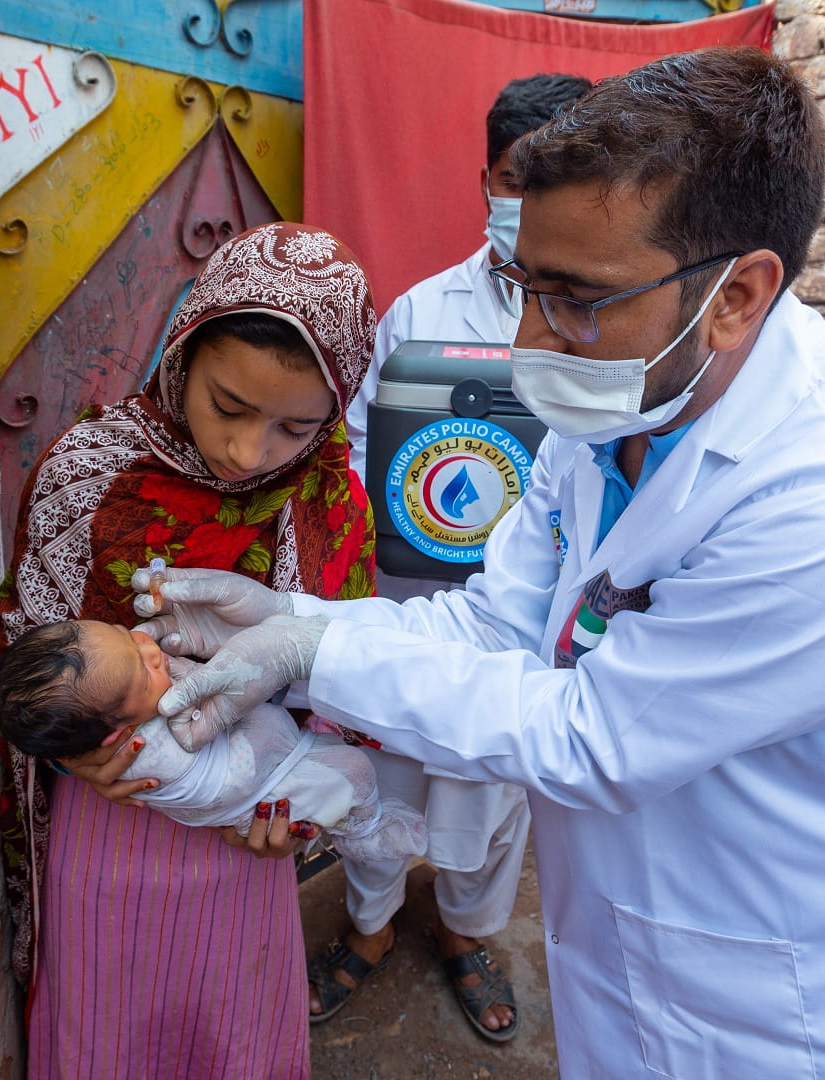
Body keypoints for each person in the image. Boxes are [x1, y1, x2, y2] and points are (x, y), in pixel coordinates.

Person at [133, 48, 825, 1077]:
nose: (529, 337)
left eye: (573, 297)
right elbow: (500, 624)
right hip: (649, 941)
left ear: (737, 294)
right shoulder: (620, 409)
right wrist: (293, 620)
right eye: (522, 285)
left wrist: (311, 658)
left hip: (816, 1009)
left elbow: (592, 737)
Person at [0, 221, 379, 1079]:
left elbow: (355, 685)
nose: (249, 452)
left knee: (230, 1035)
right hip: (111, 815)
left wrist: (302, 819)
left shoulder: (331, 501)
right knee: (109, 1032)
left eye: (294, 426)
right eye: (229, 407)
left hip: (250, 841)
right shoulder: (91, 474)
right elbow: (31, 649)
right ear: (182, 355)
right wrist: (68, 760)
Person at [319, 72, 593, 1043]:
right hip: (409, 600)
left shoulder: (605, 331)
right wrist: (394, 508)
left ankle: (467, 935)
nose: (541, 204)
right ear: (488, 181)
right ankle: (370, 926)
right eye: (524, 179)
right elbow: (352, 446)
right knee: (379, 787)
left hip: (519, 629)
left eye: (572, 175)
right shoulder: (419, 314)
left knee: (490, 798)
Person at [0, 619, 425, 861]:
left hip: (270, 766)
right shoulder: (160, 749)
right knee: (355, 771)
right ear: (117, 736)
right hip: (256, 789)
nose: (151, 649)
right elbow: (219, 706)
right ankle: (366, 831)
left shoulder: (112, 700)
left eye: (125, 634)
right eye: (145, 675)